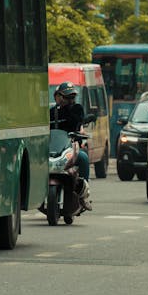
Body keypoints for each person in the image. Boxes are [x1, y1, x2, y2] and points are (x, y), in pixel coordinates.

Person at [50, 81, 91, 211]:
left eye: (71, 97)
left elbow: (76, 121)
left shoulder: (77, 109)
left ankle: (83, 195)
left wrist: (66, 107)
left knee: (83, 158)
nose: (69, 99)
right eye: (66, 97)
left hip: (70, 147)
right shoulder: (51, 112)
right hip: (52, 149)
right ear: (57, 96)